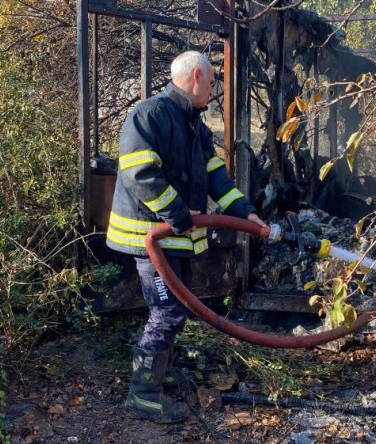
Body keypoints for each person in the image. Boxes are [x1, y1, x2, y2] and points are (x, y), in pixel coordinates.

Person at [106, 51, 267, 423]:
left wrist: (245, 212)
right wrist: (179, 215)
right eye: (212, 82)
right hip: (151, 237)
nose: (213, 90)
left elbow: (216, 176)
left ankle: (159, 377)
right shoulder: (150, 115)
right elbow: (139, 173)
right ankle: (142, 394)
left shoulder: (195, 125)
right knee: (167, 310)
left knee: (176, 310)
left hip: (175, 238)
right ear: (197, 75)